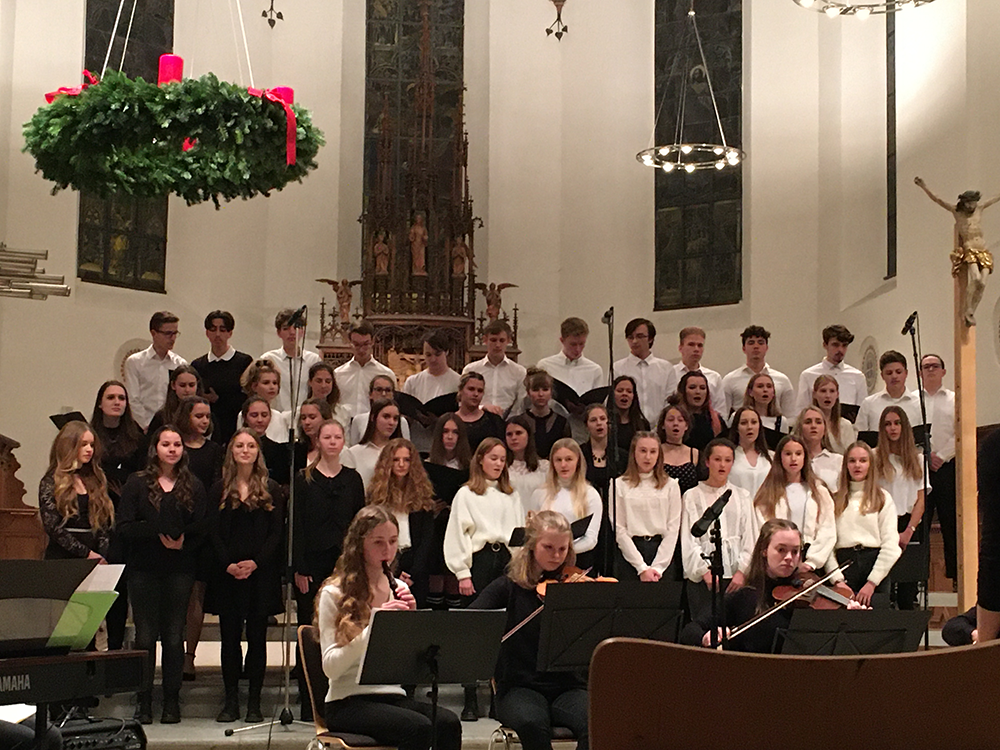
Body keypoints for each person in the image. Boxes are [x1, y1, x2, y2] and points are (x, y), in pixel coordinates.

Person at [317, 506, 462, 750]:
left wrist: (414, 624)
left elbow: (410, 665)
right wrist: (374, 627)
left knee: (448, 723)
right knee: (416, 728)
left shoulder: (400, 589)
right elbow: (331, 668)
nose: (388, 550)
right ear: (359, 545)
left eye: (393, 541)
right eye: (378, 542)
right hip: (346, 700)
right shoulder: (334, 593)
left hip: (393, 695)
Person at [469, 511, 589, 750]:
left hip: (568, 686)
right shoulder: (508, 586)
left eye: (563, 549)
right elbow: (471, 622)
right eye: (549, 547)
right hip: (519, 687)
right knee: (533, 724)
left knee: (598, 721)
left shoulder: (576, 587)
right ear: (532, 546)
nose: (557, 556)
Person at [117, 426, 210, 725]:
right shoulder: (137, 483)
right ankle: (143, 700)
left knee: (173, 636)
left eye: (177, 444)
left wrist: (183, 540)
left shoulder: (193, 484)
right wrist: (156, 531)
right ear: (155, 448)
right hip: (143, 568)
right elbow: (125, 527)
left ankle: (172, 700)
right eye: (166, 444)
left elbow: (202, 527)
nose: (172, 449)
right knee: (145, 636)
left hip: (179, 569)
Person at [206, 429, 284, 723]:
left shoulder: (271, 488)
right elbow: (212, 531)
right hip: (228, 573)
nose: (245, 450)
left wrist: (256, 562)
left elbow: (276, 533)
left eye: (251, 445)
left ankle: (254, 702)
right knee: (229, 639)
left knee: (257, 638)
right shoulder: (219, 489)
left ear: (258, 452)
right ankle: (230, 702)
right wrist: (227, 563)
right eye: (239, 445)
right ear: (231, 451)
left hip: (260, 574)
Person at [292, 419, 365, 721]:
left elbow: (360, 525)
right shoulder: (303, 478)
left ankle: (343, 698)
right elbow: (295, 525)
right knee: (312, 631)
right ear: (318, 441)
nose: (333, 441)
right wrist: (299, 567)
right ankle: (309, 701)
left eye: (337, 437)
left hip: (346, 566)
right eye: (327, 437)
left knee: (346, 628)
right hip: (312, 564)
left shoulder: (353, 478)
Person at [682, 519, 844, 653]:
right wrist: (705, 637)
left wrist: (850, 617)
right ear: (764, 550)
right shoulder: (743, 595)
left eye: (795, 551)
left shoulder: (808, 595)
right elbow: (690, 630)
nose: (789, 557)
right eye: (781, 550)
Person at [89, 380, 146, 649]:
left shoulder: (135, 436)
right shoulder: (90, 435)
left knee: (118, 589)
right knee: (91, 590)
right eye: (111, 397)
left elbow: (143, 475)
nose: (117, 402)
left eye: (121, 398)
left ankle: (114, 647)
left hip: (124, 518)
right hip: (94, 517)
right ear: (100, 403)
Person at [174, 395, 224, 681]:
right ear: (186, 417)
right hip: (178, 524)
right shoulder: (176, 446)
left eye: (207, 416)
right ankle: (172, 650)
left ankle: (189, 657)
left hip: (203, 528)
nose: (204, 421)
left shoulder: (215, 450)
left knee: (197, 594)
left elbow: (217, 486)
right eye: (199, 416)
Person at [680, 438, 756, 617]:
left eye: (727, 460)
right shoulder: (692, 496)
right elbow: (689, 539)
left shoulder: (742, 496)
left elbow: (751, 537)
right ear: (707, 461)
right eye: (717, 459)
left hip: (735, 577)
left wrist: (742, 571)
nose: (722, 465)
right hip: (704, 579)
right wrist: (703, 571)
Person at [914, 176, 1000, 326]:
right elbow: (938, 200)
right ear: (964, 203)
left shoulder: (980, 209)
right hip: (970, 249)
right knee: (976, 278)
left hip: (983, 250)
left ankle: (972, 309)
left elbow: (995, 198)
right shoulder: (957, 212)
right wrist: (924, 186)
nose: (972, 205)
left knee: (983, 284)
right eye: (969, 203)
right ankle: (966, 308)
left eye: (974, 202)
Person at [365, 438, 437, 608]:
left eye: (406, 460)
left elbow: (427, 539)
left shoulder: (422, 494)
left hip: (415, 562)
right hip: (388, 559)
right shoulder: (377, 494)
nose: (401, 464)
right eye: (396, 460)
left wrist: (413, 572)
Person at [829, 442, 900, 607]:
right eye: (852, 461)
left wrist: (872, 583)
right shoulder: (834, 500)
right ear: (845, 465)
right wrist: (837, 580)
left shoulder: (883, 498)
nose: (857, 465)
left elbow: (891, 545)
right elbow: (828, 545)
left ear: (870, 464)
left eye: (863, 460)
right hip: (845, 566)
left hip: (875, 567)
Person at [751, 435, 836, 574]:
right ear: (780, 457)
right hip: (777, 562)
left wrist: (811, 562)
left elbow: (828, 529)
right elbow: (763, 529)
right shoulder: (768, 494)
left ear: (805, 457)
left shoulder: (819, 492)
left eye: (798, 453)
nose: (793, 458)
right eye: (788, 454)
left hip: (810, 562)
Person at [874, 406, 926, 610]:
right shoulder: (875, 457)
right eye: (888, 424)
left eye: (897, 423)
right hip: (882, 525)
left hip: (908, 525)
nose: (893, 428)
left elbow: (921, 500)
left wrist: (909, 531)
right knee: (884, 587)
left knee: (906, 592)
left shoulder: (917, 458)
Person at [39, 421, 114, 563]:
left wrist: (101, 554)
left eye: (91, 445)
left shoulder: (95, 479)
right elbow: (52, 527)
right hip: (62, 557)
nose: (89, 449)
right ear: (69, 446)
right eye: (83, 444)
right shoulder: (50, 481)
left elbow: (103, 525)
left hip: (93, 555)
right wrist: (86, 553)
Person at [613, 432, 682, 582]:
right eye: (643, 451)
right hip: (630, 557)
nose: (648, 457)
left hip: (662, 557)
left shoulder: (671, 485)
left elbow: (673, 529)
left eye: (653, 452)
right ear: (634, 453)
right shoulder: (619, 485)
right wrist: (641, 568)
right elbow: (619, 529)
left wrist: (657, 568)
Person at [531, 439, 602, 571]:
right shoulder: (539, 493)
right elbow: (532, 533)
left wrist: (561, 552)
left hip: (577, 564)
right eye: (558, 460)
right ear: (552, 463)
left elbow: (591, 539)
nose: (563, 465)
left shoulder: (591, 495)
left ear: (578, 462)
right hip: (544, 565)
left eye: (569, 459)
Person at [424, 413, 472, 610]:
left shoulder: (469, 467)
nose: (450, 436)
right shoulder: (427, 464)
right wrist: (431, 507)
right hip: (435, 527)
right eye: (445, 432)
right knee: (435, 575)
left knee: (453, 575)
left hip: (458, 528)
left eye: (455, 432)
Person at [917, 353, 957, 584]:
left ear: (943, 371)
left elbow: (961, 432)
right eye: (925, 366)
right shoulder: (913, 400)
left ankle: (955, 578)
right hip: (919, 470)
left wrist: (940, 456)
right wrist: (925, 456)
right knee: (920, 527)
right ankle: (921, 579)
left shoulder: (955, 399)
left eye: (935, 366)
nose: (930, 369)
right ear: (920, 372)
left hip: (947, 468)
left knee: (951, 523)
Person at [191, 310, 254, 446]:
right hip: (207, 428)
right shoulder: (198, 365)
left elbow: (248, 396)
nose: (217, 334)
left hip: (235, 425)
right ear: (207, 333)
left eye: (223, 329)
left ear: (230, 333)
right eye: (213, 329)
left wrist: (219, 399)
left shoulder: (244, 362)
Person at [536, 317, 604, 441]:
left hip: (580, 429)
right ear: (562, 340)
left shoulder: (594, 369)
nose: (577, 349)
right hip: (551, 426)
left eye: (581, 344)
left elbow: (597, 406)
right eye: (573, 344)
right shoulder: (545, 366)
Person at [124, 311, 187, 431]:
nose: (173, 338)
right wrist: (148, 425)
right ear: (154, 333)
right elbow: (133, 399)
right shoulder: (135, 362)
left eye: (175, 333)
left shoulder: (180, 364)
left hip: (172, 427)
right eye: (168, 333)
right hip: (142, 427)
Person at [612, 317, 678, 424]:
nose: (634, 341)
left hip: (658, 428)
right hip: (629, 426)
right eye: (630, 337)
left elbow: (671, 401)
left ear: (650, 339)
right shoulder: (617, 368)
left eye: (640, 336)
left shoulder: (666, 368)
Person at [720, 325, 795, 417]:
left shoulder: (782, 380)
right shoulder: (730, 380)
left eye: (760, 342)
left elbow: (790, 417)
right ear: (744, 348)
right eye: (751, 343)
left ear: (766, 348)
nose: (756, 346)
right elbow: (724, 415)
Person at [260, 308, 322, 415]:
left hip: (305, 418)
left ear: (302, 331)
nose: (292, 332)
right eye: (286, 328)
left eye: (296, 328)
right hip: (276, 416)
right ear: (279, 333)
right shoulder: (269, 359)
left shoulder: (313, 360)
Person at [795, 324, 868, 412]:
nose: (840, 350)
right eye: (835, 345)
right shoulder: (808, 375)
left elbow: (862, 412)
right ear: (825, 345)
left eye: (844, 345)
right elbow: (801, 410)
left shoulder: (858, 376)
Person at [462, 319, 527, 416]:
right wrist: (483, 407)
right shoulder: (471, 369)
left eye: (502, 340)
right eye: (493, 340)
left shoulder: (519, 371)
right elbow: (462, 400)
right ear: (485, 340)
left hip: (508, 423)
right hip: (477, 419)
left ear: (509, 340)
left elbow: (521, 403)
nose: (497, 345)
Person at [334, 320, 396, 418]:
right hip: (345, 425)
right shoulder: (338, 374)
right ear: (349, 342)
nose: (361, 349)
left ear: (372, 341)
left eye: (366, 344)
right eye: (356, 344)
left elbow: (391, 405)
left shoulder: (386, 374)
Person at [855, 351, 922, 432]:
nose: (894, 376)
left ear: (906, 373)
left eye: (898, 372)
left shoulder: (919, 404)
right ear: (882, 376)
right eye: (889, 373)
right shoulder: (869, 404)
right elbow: (859, 436)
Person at [344, 398, 402, 488]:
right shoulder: (354, 453)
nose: (392, 422)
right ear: (373, 417)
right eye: (386, 417)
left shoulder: (402, 453)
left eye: (395, 418)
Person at [672, 327, 723, 415]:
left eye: (700, 345)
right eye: (691, 344)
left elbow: (720, 410)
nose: (696, 349)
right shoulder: (670, 374)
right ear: (680, 348)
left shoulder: (713, 377)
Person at [523, 367, 571, 460]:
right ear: (528, 393)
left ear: (551, 392)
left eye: (545, 389)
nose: (541, 394)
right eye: (535, 390)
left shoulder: (562, 422)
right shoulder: (520, 422)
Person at [350, 375, 413, 445]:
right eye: (379, 390)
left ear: (393, 395)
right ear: (370, 394)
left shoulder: (401, 421)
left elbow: (406, 447)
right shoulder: (359, 420)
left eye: (388, 390)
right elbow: (353, 447)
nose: (383, 394)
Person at [505, 414, 549, 514]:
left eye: (518, 433)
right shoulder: (501, 468)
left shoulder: (544, 467)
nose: (514, 438)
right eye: (509, 434)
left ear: (528, 435)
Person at [239, 359, 291, 443]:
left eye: (275, 383)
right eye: (266, 383)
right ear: (254, 386)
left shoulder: (279, 417)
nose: (272, 387)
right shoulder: (243, 414)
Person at [454, 372, 506, 453]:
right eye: (471, 389)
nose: (476, 394)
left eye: (480, 391)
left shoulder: (494, 421)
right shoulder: (450, 421)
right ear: (460, 390)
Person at [795, 406, 843, 494]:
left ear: (825, 429)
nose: (813, 426)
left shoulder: (839, 460)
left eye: (818, 422)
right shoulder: (793, 460)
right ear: (800, 428)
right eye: (808, 422)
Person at [671, 371, 723, 452]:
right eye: (692, 387)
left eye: (702, 388)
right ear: (683, 391)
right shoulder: (673, 417)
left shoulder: (715, 420)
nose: (698, 392)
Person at [728, 407, 771, 499]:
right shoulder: (729, 456)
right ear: (736, 428)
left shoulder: (770, 457)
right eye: (744, 423)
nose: (749, 427)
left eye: (754, 422)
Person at [146, 365, 203, 435]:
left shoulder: (207, 415)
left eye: (191, 385)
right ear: (173, 385)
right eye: (182, 385)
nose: (187, 390)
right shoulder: (161, 417)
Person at [657, 403, 700, 494]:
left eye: (680, 420)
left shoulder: (694, 453)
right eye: (670, 420)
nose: (675, 423)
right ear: (663, 425)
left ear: (686, 426)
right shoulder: (656, 451)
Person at [810, 374, 856, 454]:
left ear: (837, 395)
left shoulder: (845, 425)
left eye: (832, 391)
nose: (828, 396)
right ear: (814, 394)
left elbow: (851, 454)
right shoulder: (805, 423)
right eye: (823, 391)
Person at [306, 361, 352, 434]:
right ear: (310, 382)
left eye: (328, 381)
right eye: (319, 381)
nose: (323, 385)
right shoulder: (300, 412)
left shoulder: (343, 412)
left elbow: (346, 441)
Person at [609, 375, 650, 454]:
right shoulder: (606, 424)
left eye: (629, 391)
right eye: (620, 391)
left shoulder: (642, 425)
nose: (624, 394)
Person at [742, 372, 788, 440]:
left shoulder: (781, 421)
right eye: (760, 386)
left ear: (773, 393)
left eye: (769, 386)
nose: (765, 390)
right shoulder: (738, 416)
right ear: (750, 392)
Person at [298, 397, 335, 469]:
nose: (307, 422)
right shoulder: (298, 451)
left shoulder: (339, 451)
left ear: (325, 419)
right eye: (303, 418)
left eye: (312, 417)